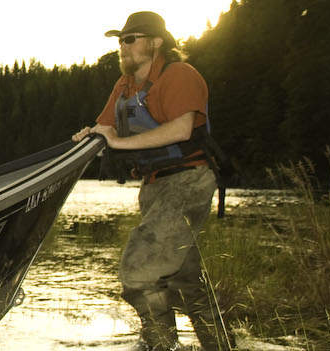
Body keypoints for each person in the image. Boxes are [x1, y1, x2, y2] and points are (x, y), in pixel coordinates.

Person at [71, 11, 233, 351]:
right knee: (186, 280)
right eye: (120, 40)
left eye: (130, 39)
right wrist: (91, 138)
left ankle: (161, 346)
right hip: (155, 188)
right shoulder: (124, 86)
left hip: (189, 183)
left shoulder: (180, 75)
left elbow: (181, 128)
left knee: (138, 274)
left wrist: (117, 142)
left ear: (156, 42)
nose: (122, 46)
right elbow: (107, 130)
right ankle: (224, 346)